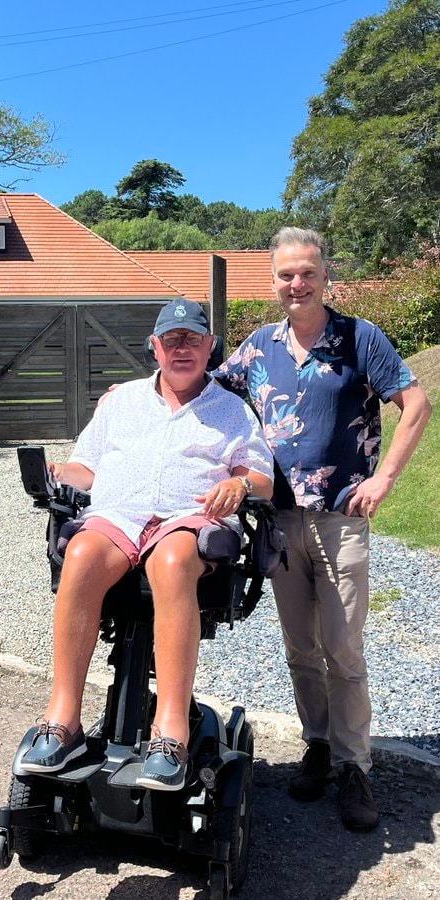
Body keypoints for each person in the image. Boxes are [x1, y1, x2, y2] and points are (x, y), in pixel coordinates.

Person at [215, 226, 432, 831]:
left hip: (341, 520)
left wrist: (384, 478)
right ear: (274, 281)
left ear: (325, 276)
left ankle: (354, 765)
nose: (297, 283)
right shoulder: (258, 348)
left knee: (343, 647)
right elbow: (210, 396)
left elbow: (416, 405)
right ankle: (316, 746)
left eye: (307, 272)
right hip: (280, 523)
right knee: (301, 650)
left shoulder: (361, 338)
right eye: (286, 274)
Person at [20, 298, 274, 791]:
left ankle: (170, 728)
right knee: (81, 551)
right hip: (120, 516)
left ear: (210, 348)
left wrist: (239, 486)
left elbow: (261, 478)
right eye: (172, 340)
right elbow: (87, 469)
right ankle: (64, 716)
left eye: (193, 340)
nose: (183, 349)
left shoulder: (232, 410)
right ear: (154, 348)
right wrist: (55, 472)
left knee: (175, 558)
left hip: (187, 519)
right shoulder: (121, 401)